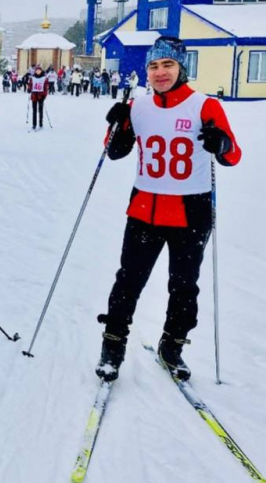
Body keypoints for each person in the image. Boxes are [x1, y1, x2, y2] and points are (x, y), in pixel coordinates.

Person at [94, 37, 241, 382]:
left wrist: (221, 143)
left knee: (184, 285)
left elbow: (232, 154)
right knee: (128, 281)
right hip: (145, 207)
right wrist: (116, 124)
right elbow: (114, 152)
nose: (160, 73)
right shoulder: (138, 106)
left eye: (168, 65)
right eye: (154, 66)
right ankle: (112, 346)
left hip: (191, 210)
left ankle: (172, 345)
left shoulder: (205, 106)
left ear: (181, 68)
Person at [28, 65, 48, 130]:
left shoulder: (44, 78)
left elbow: (46, 87)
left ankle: (41, 123)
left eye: (39, 70)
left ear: (41, 71)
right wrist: (29, 88)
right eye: (37, 70)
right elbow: (30, 85)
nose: (38, 71)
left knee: (40, 110)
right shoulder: (32, 78)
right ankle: (34, 124)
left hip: (41, 96)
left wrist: (44, 95)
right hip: (34, 95)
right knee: (34, 110)